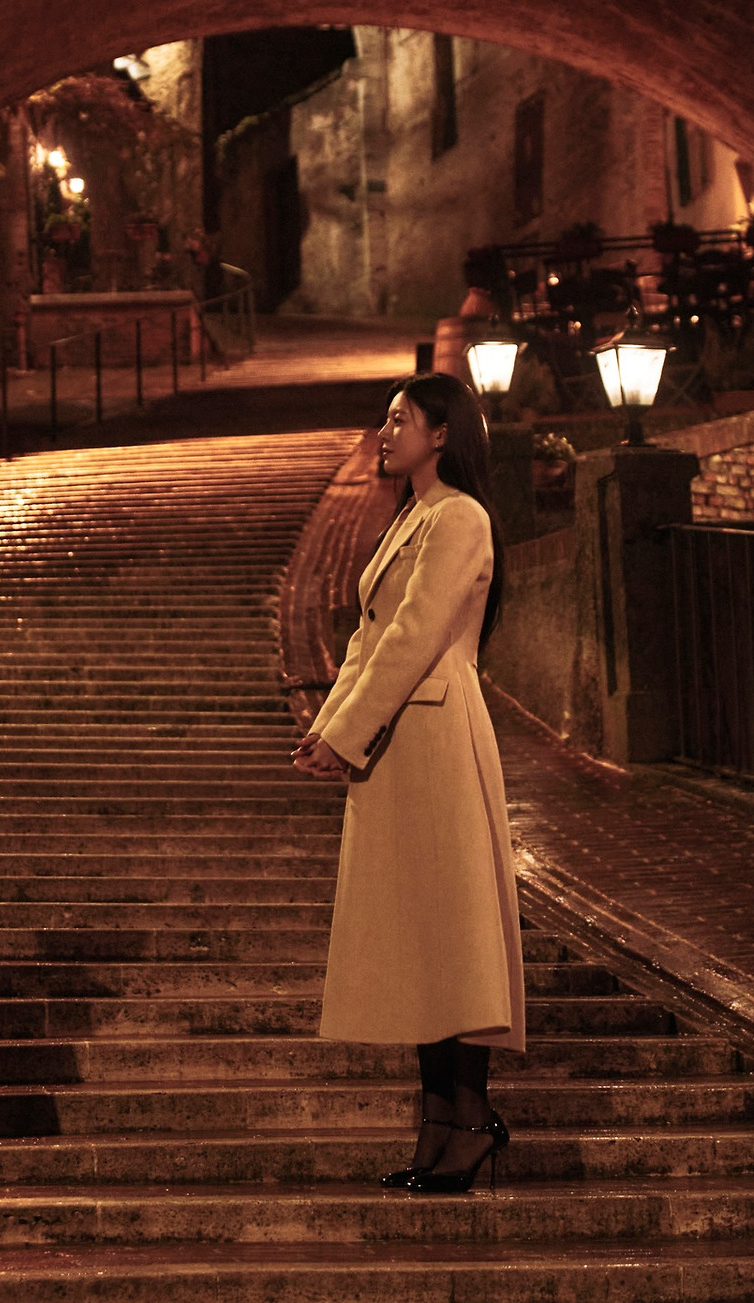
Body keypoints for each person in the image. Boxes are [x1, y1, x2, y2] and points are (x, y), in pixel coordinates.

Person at [292, 372, 525, 1194]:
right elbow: (367, 639)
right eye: (385, 418)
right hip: (396, 742)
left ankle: (471, 1119)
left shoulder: (459, 516)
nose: (386, 432)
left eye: (402, 418)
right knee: (422, 931)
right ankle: (435, 1120)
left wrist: (348, 733)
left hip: (437, 734)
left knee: (454, 927)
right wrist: (330, 729)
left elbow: (416, 636)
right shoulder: (409, 518)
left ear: (443, 432)